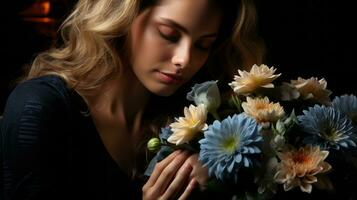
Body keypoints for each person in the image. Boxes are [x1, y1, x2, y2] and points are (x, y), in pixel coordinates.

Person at [0, 0, 265, 199]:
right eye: (168, 34)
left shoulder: (191, 120)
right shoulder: (41, 107)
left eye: (202, 45)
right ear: (122, 17)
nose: (184, 59)